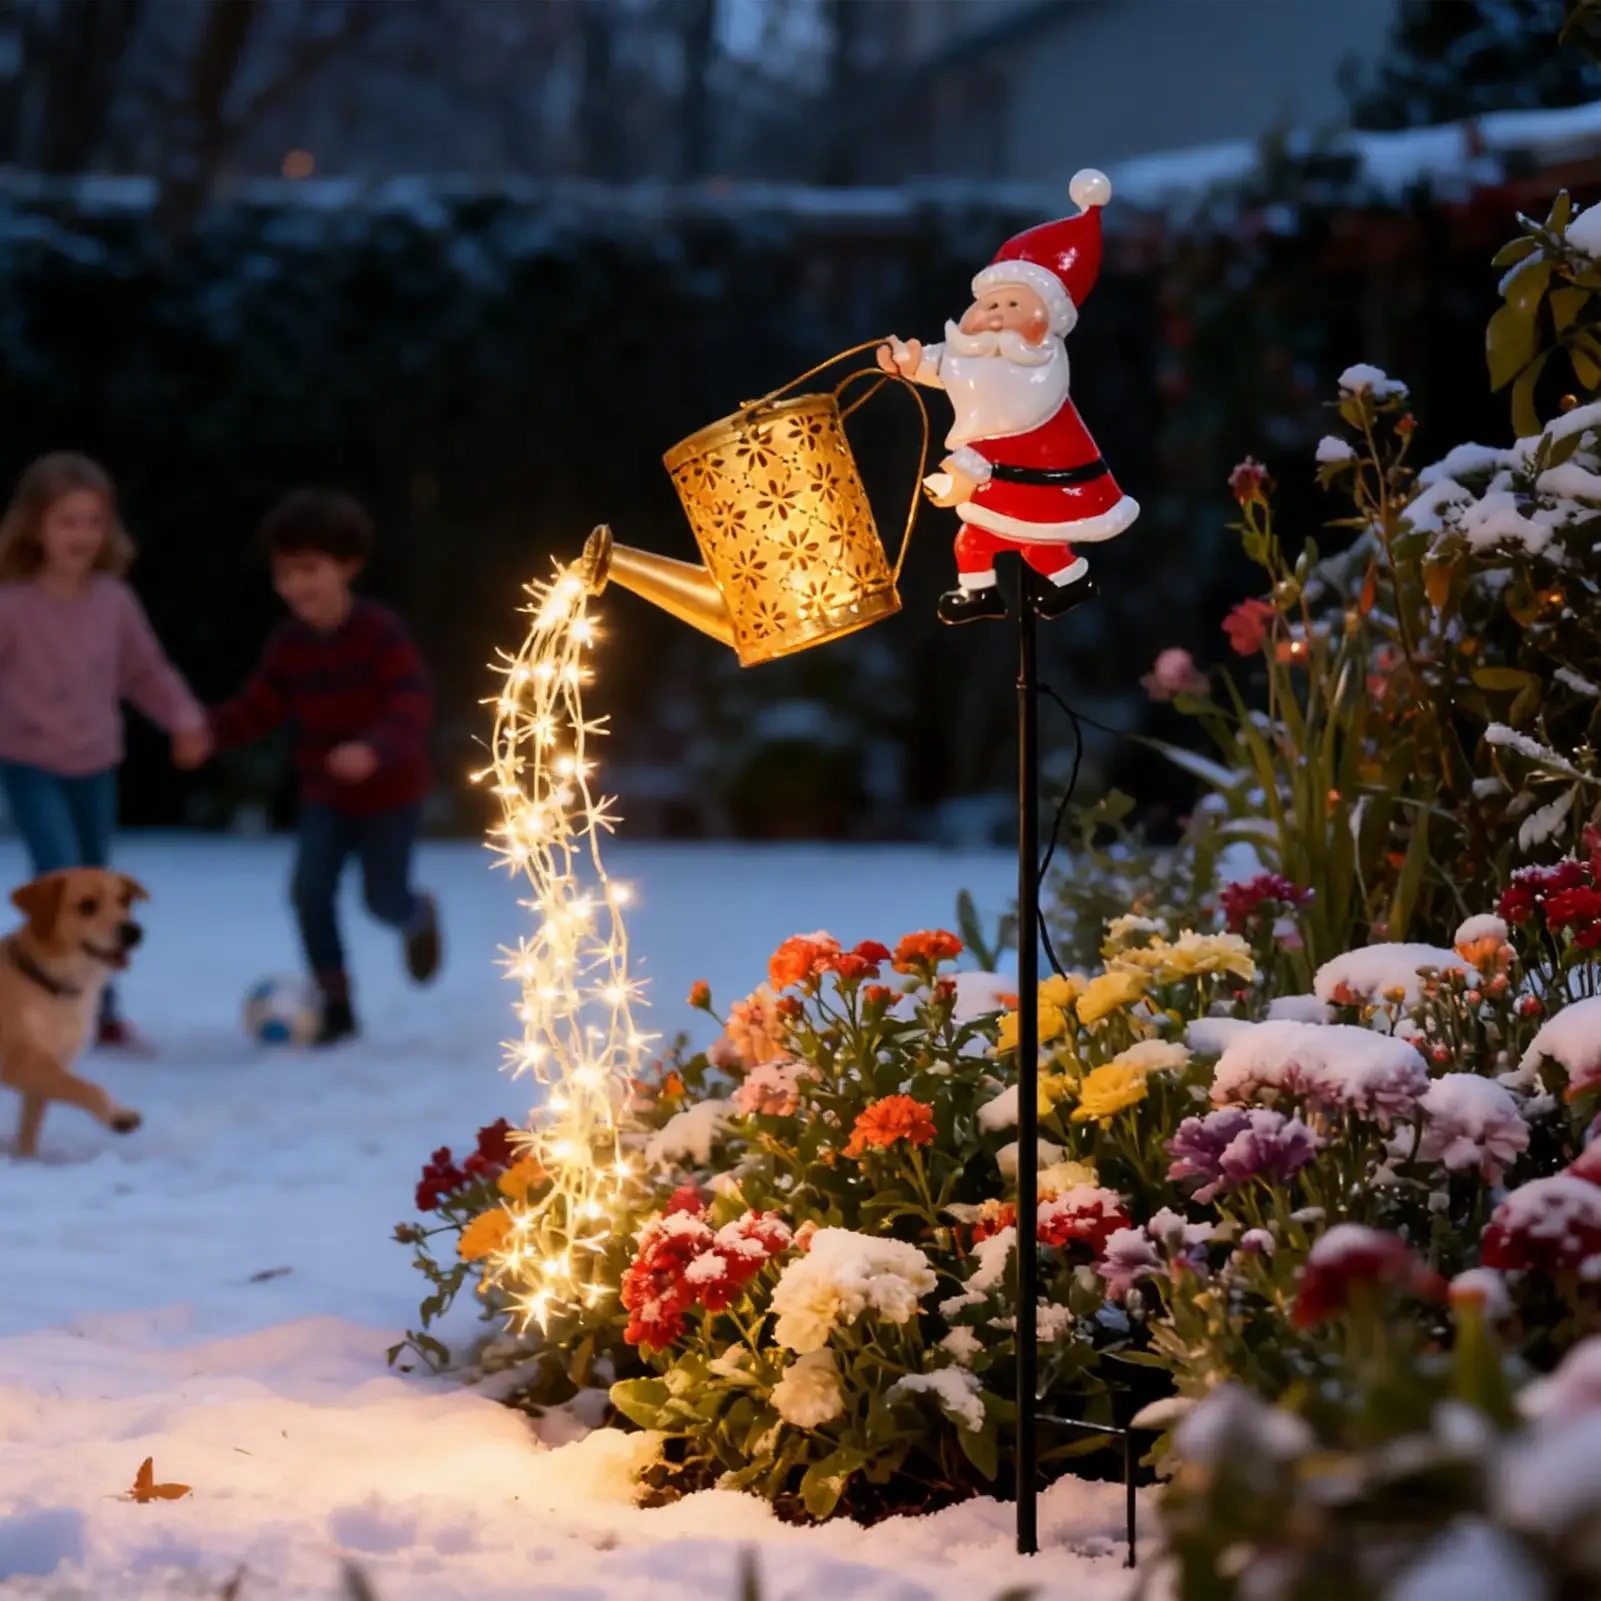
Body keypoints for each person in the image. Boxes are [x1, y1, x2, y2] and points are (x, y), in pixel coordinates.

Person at [204, 490, 441, 1045]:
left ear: (348, 566)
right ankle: (335, 1003)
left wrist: (374, 749)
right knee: (309, 891)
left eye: (309, 569)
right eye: (285, 573)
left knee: (381, 899)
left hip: (391, 794)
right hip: (326, 795)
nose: (296, 585)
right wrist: (207, 733)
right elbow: (259, 705)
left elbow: (412, 704)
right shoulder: (288, 644)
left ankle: (416, 914)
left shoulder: (380, 633)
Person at [0, 452, 210, 1049]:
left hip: (94, 766)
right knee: (61, 881)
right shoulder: (11, 605)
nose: (81, 536)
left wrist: (184, 718)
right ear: (36, 526)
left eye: (92, 522)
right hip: (29, 764)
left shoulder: (112, 601)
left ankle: (102, 1009)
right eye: (66, 522)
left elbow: (146, 671)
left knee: (103, 894)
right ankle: (43, 1003)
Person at [877, 167, 1139, 625]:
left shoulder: (1037, 369)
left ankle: (1071, 581)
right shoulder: (978, 356)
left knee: (1037, 544)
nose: (997, 316)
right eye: (990, 305)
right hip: (998, 486)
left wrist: (965, 467)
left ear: (1047, 317)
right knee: (975, 542)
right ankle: (985, 594)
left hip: (1042, 480)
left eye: (1014, 305)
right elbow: (949, 364)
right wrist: (907, 360)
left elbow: (1005, 422)